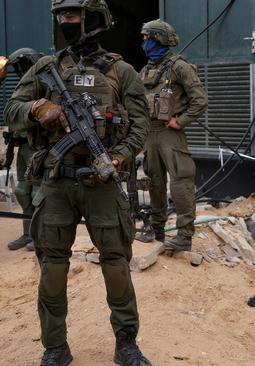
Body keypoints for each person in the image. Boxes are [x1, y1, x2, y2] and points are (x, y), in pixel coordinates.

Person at [4, 1, 151, 365]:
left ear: (94, 20)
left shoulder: (122, 71)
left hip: (101, 183)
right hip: (55, 183)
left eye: (71, 16)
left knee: (116, 263)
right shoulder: (45, 68)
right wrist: (39, 108)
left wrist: (116, 158)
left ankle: (126, 343)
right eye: (60, 17)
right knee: (52, 267)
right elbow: (12, 109)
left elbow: (140, 125)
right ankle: (55, 347)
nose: (64, 22)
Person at [135, 19, 207, 251]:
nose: (144, 42)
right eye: (144, 38)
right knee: (154, 182)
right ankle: (157, 231)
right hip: (150, 134)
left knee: (181, 182)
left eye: (148, 38)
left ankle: (184, 237)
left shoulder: (179, 67)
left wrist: (181, 120)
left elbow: (200, 100)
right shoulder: (145, 70)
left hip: (170, 133)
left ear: (159, 39)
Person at [3, 48, 43, 252]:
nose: (19, 70)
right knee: (22, 192)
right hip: (23, 146)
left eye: (21, 66)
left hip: (37, 148)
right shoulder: (22, 87)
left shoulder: (43, 85)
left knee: (38, 192)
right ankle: (27, 233)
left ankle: (39, 235)